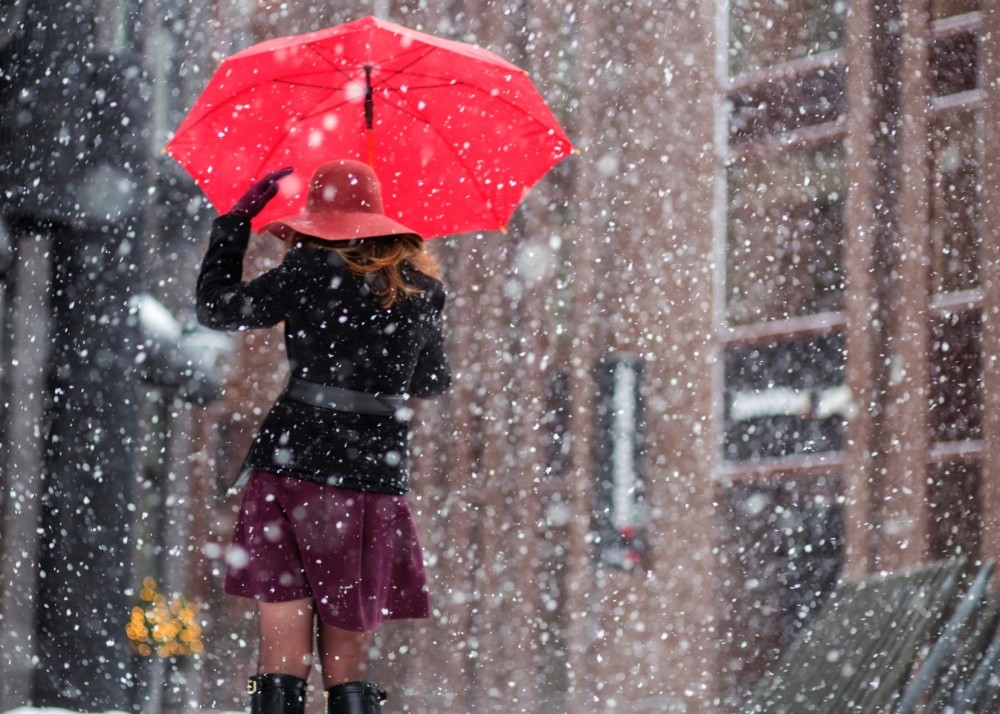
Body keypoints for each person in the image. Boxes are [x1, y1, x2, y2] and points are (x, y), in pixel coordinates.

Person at [196, 159, 451, 714]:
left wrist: (233, 225)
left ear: (317, 218)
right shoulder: (422, 291)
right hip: (371, 479)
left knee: (280, 654)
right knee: (349, 662)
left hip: (292, 470)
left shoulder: (307, 271)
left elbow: (217, 307)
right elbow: (432, 381)